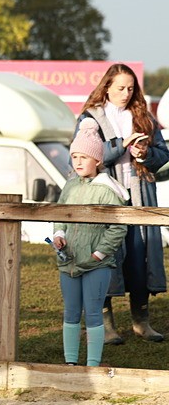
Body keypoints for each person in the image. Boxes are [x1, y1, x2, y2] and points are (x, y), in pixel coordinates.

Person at [77, 63, 169, 344]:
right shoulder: (91, 118)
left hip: (140, 197)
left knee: (141, 259)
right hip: (104, 199)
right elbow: (84, 154)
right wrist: (121, 144)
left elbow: (163, 155)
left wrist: (143, 153)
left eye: (131, 88)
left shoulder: (144, 117)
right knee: (104, 259)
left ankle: (142, 323)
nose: (126, 93)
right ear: (106, 87)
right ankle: (104, 326)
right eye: (120, 87)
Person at [52, 119, 128, 366]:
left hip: (97, 265)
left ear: (97, 160)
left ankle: (93, 364)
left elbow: (118, 227)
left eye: (84, 157)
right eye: (75, 157)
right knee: (71, 313)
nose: (79, 162)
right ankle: (70, 363)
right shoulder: (70, 186)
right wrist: (58, 236)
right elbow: (59, 217)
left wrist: (99, 254)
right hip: (69, 262)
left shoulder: (108, 191)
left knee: (94, 313)